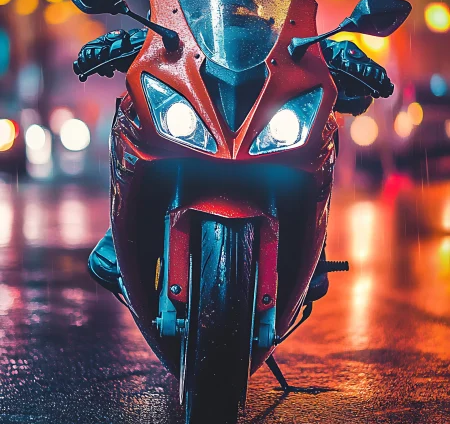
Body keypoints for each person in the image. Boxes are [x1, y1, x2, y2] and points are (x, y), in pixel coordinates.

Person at [74, 28, 394, 302]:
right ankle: (120, 233)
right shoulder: (183, 33)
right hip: (198, 126)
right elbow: (162, 33)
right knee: (135, 114)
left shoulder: (280, 41)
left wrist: (336, 52)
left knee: (321, 130)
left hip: (260, 131)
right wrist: (128, 41)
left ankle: (311, 245)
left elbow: (312, 53)